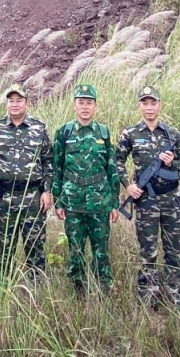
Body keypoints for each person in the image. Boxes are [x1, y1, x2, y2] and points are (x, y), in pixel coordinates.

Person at [115, 85, 180, 310]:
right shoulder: (130, 134)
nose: (149, 107)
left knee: (173, 249)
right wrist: (128, 186)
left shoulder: (172, 134)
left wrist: (171, 163)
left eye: (153, 103)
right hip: (146, 201)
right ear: (139, 105)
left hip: (171, 200)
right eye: (145, 103)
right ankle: (148, 296)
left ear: (160, 105)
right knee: (148, 251)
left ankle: (175, 294)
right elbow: (116, 161)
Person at [0, 83, 53, 285]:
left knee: (35, 246)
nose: (15, 104)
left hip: (32, 198)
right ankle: (3, 288)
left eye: (19, 100)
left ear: (26, 103)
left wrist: (47, 191)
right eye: (11, 101)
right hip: (4, 199)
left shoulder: (39, 128)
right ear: (7, 103)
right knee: (4, 246)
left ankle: (37, 289)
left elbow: (47, 161)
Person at [52, 83, 119, 296]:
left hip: (99, 201)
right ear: (74, 105)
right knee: (76, 249)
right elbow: (57, 168)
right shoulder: (64, 132)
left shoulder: (104, 132)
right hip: (72, 201)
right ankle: (77, 290)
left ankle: (104, 289)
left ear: (95, 106)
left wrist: (114, 203)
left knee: (101, 249)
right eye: (81, 102)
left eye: (89, 103)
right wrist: (58, 200)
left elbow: (112, 169)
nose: (85, 107)